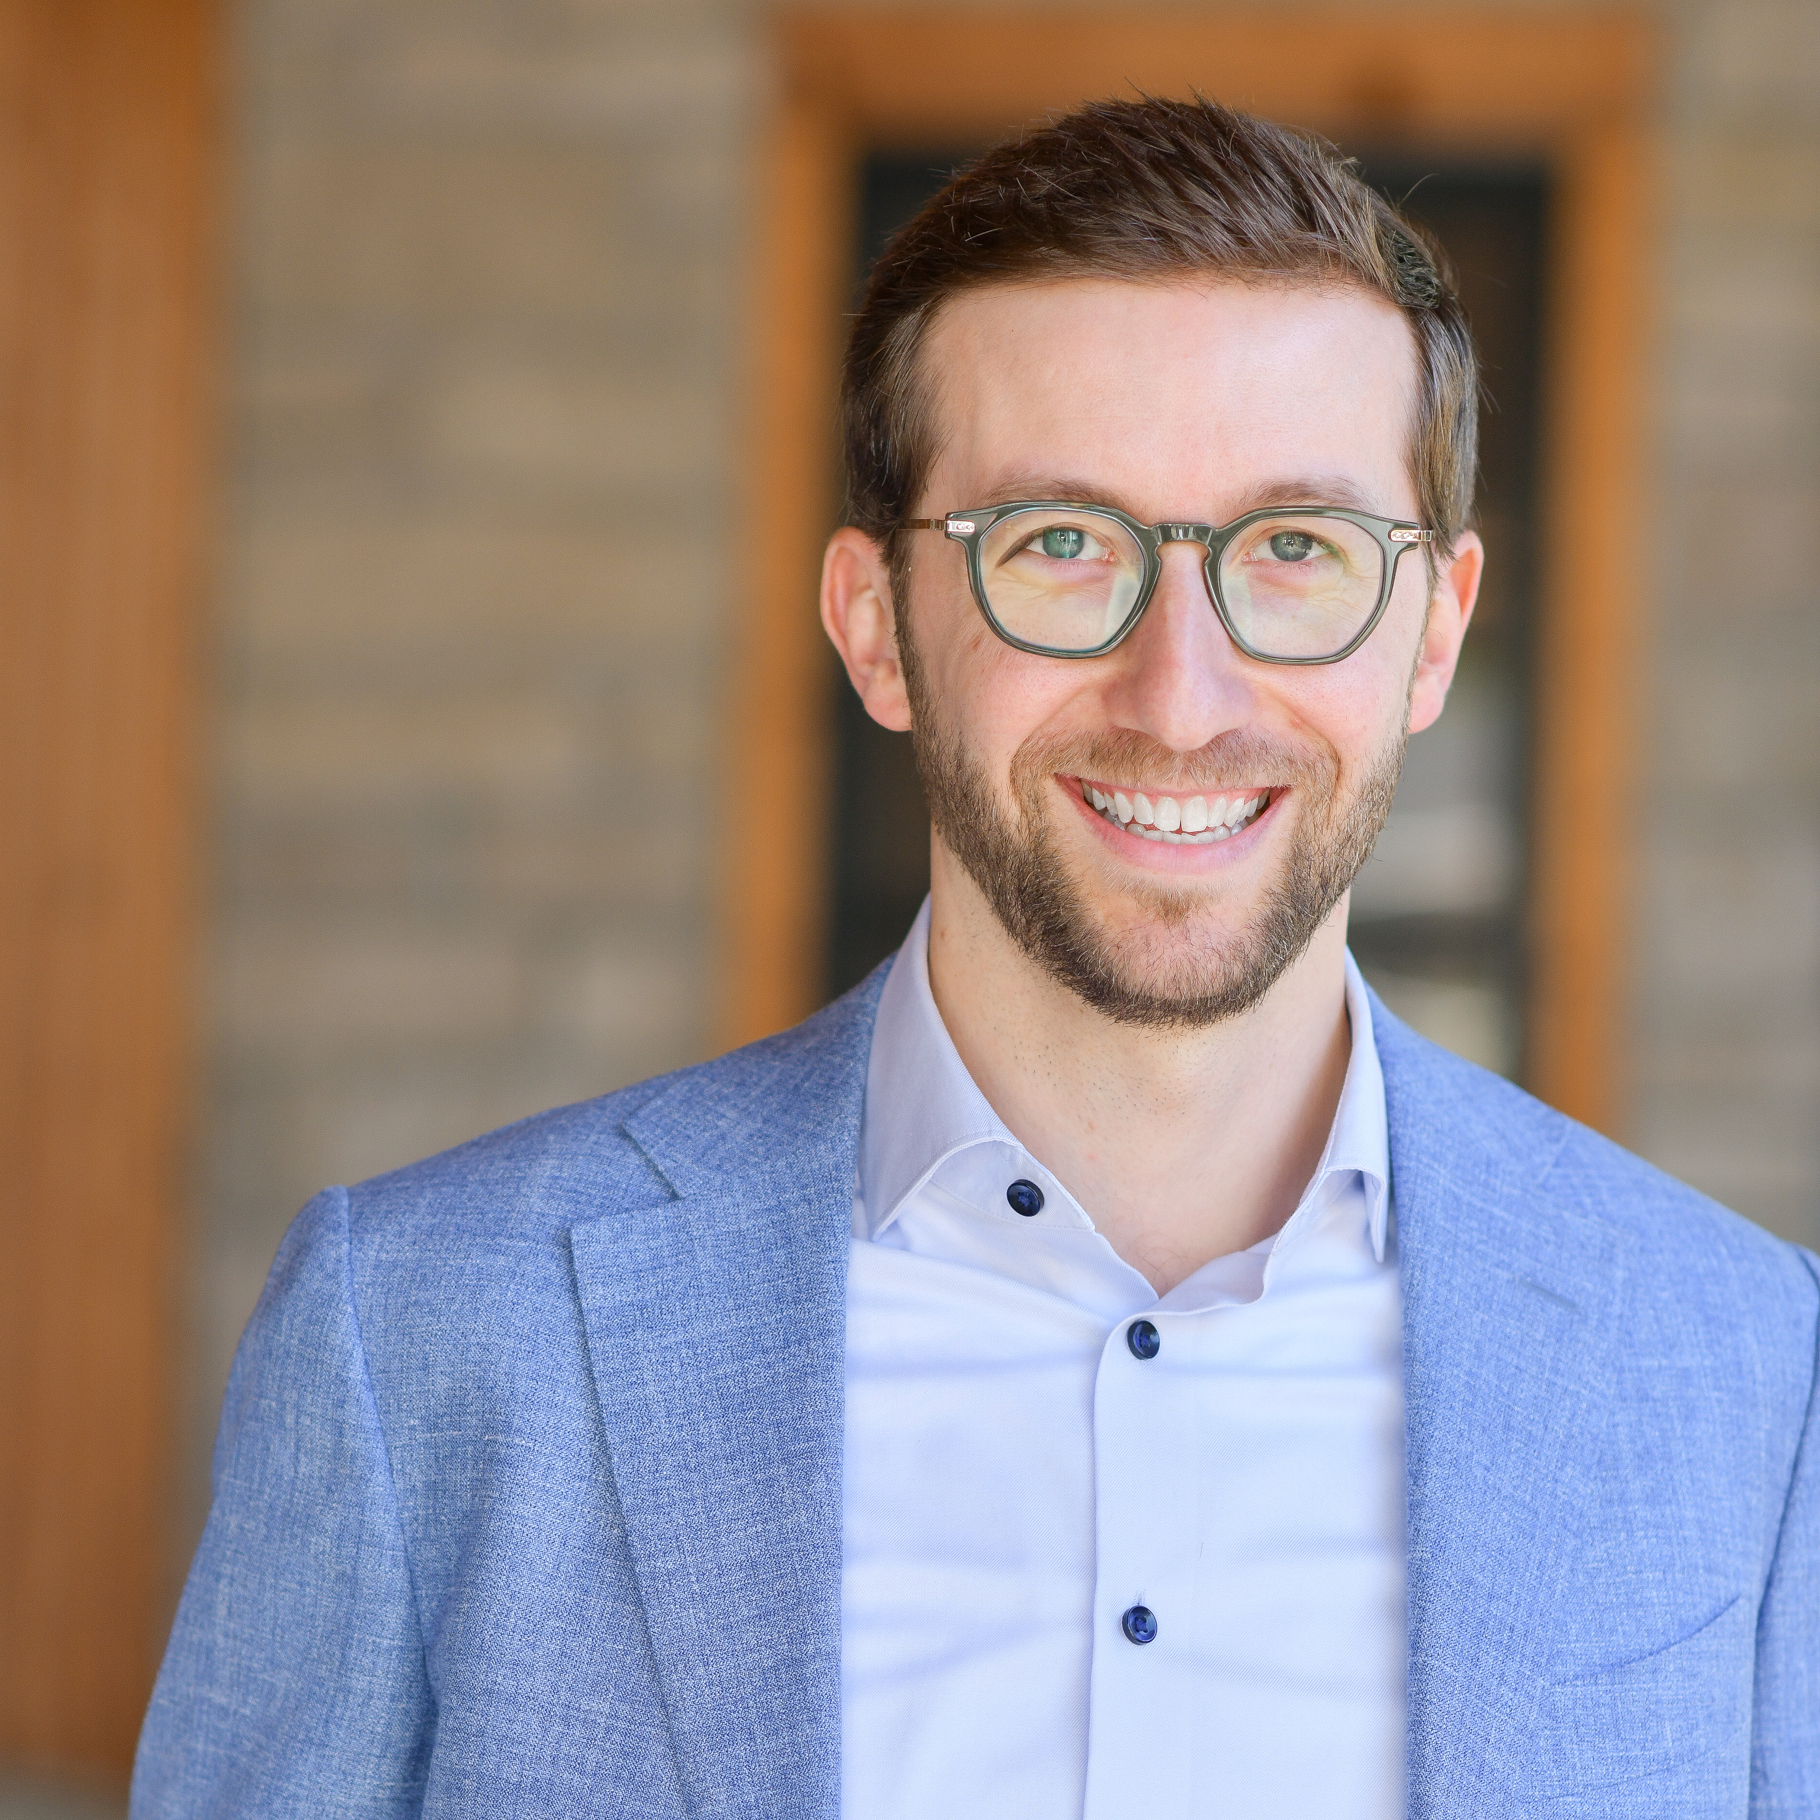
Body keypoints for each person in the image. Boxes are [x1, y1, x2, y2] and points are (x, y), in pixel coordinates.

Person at [133, 98, 1817, 1818]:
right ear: (877, 629)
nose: (1182, 697)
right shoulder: (419, 1338)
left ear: (1435, 631)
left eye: (1297, 552)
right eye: (1057, 546)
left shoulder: (1747, 1371)